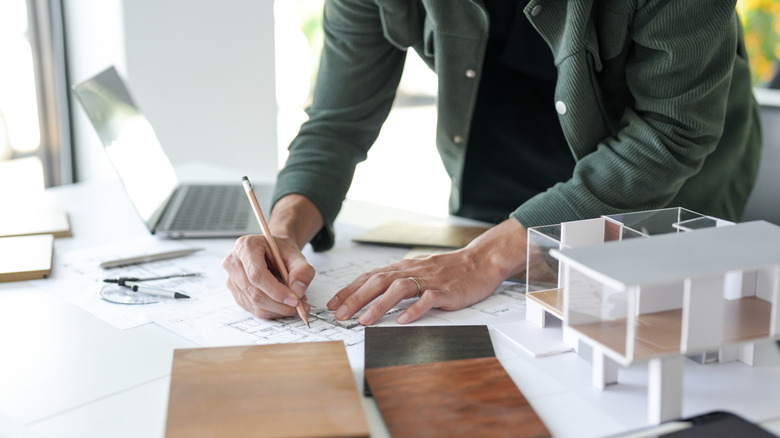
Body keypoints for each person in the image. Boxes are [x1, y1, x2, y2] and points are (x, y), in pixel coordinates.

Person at [222, 0, 761, 326]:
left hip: (655, 199)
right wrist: (282, 234)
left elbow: (673, 133)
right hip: (494, 202)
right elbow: (336, 124)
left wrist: (485, 260)